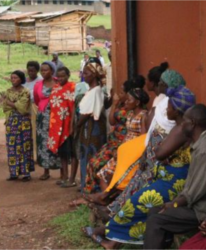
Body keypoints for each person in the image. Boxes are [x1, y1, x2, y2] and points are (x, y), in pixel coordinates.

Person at [84, 86, 196, 249]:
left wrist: (159, 147)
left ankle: (109, 234)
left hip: (173, 183)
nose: (166, 109)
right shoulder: (182, 127)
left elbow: (159, 153)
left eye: (169, 106)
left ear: (176, 110)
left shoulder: (179, 130)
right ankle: (113, 239)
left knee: (135, 203)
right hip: (171, 178)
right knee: (138, 198)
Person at [106, 69, 187, 216]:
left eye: (162, 83)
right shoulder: (164, 103)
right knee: (136, 181)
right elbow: (152, 131)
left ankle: (118, 215)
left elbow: (163, 139)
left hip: (160, 158)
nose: (159, 85)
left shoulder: (175, 109)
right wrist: (145, 152)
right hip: (150, 151)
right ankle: (114, 210)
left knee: (141, 187)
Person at [144, 104, 206, 250]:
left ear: (192, 124)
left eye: (184, 121)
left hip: (200, 211)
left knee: (156, 220)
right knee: (155, 211)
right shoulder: (199, 144)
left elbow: (193, 193)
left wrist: (175, 204)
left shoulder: (203, 150)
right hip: (196, 205)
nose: (181, 124)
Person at [84, 78, 145, 194]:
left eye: (122, 92)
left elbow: (141, 137)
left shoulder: (137, 112)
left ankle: (99, 194)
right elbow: (112, 121)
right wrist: (115, 104)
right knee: (93, 163)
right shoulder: (126, 107)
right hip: (114, 142)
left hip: (122, 145)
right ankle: (95, 193)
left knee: (97, 165)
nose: (119, 94)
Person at [77, 62, 107, 192]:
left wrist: (76, 127)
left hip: (91, 128)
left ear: (94, 75)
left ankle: (90, 187)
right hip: (90, 127)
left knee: (90, 156)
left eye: (86, 73)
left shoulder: (95, 91)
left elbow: (87, 113)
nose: (84, 76)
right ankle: (88, 185)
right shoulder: (93, 90)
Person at [3, 70, 34, 181]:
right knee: (12, 147)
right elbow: (5, 107)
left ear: (21, 79)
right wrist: (16, 105)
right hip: (11, 121)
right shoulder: (8, 91)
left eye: (15, 78)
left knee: (24, 146)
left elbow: (24, 108)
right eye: (12, 78)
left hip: (24, 122)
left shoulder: (25, 91)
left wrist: (12, 104)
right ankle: (13, 173)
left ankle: (26, 173)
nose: (13, 80)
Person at [48, 67, 75, 187]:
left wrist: (71, 126)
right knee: (62, 152)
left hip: (67, 123)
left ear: (68, 75)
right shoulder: (55, 87)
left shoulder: (72, 87)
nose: (60, 78)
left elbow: (73, 107)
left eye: (63, 76)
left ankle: (71, 178)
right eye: (58, 76)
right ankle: (64, 176)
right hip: (56, 123)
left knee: (71, 152)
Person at [34, 61, 61, 180]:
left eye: (46, 70)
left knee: (57, 141)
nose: (43, 72)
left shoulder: (58, 82)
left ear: (52, 70)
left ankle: (62, 171)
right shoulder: (38, 85)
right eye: (42, 70)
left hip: (57, 117)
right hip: (42, 117)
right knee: (43, 143)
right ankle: (46, 170)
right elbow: (36, 99)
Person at [24, 61, 43, 160]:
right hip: (24, 109)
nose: (30, 72)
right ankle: (28, 155)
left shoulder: (40, 80)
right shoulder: (24, 81)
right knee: (27, 132)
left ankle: (36, 155)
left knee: (36, 131)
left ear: (37, 71)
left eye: (33, 71)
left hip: (36, 108)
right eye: (29, 70)